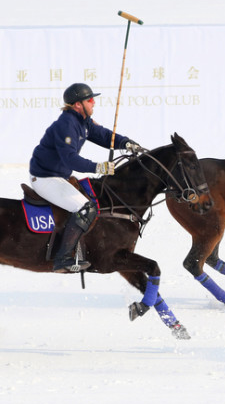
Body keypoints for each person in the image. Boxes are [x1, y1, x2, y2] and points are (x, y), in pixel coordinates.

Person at [29, 82, 142, 273]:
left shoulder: (82, 121)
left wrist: (126, 143)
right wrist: (98, 167)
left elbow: (103, 135)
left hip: (59, 175)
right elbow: (70, 158)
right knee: (85, 208)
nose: (94, 103)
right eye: (90, 100)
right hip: (45, 178)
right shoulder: (66, 125)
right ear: (77, 104)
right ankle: (63, 258)